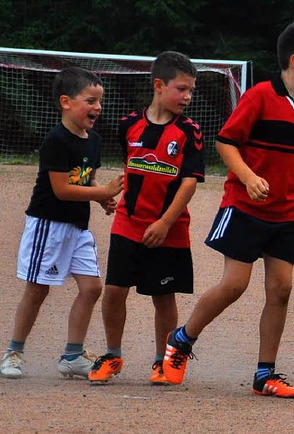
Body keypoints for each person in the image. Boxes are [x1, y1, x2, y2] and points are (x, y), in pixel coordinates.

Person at [161, 20, 294, 398]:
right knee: (234, 285)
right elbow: (226, 143)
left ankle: (265, 374)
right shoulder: (259, 96)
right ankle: (181, 340)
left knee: (282, 288)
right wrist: (248, 177)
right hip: (244, 208)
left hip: (287, 214)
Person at [87, 51, 205, 385]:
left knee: (163, 296)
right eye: (181, 89)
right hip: (129, 220)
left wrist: (165, 221)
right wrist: (106, 194)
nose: (188, 96)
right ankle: (112, 354)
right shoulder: (129, 125)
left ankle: (161, 360)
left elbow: (189, 181)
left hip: (169, 227)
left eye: (191, 90)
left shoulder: (189, 130)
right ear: (158, 85)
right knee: (113, 292)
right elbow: (130, 168)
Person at [0, 67, 124, 379]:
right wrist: (102, 191)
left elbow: (88, 180)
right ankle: (13, 352)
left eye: (100, 101)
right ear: (66, 102)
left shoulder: (93, 140)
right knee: (37, 290)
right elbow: (62, 189)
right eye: (90, 100)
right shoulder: (56, 140)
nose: (97, 107)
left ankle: (72, 355)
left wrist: (101, 198)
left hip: (78, 228)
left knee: (93, 287)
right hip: (48, 226)